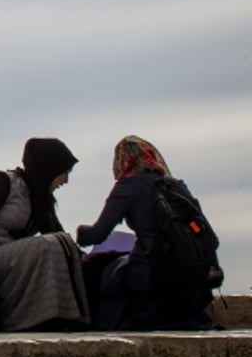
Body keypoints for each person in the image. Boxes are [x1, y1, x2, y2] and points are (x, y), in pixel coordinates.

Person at [76, 135, 216, 330]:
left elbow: (97, 235)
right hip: (190, 278)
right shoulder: (177, 186)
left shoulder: (128, 186)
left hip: (152, 275)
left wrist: (78, 234)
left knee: (95, 269)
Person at [0, 137, 90, 331]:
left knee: (59, 242)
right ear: (48, 167)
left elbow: (58, 235)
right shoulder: (5, 182)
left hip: (16, 262)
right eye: (64, 172)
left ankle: (67, 316)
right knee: (46, 245)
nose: (65, 180)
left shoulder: (40, 199)